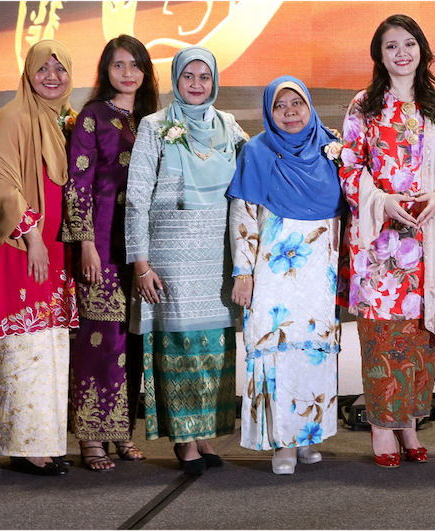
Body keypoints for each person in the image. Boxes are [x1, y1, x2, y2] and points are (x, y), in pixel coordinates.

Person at [338, 14, 435, 468]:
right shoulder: (364, 105)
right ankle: (380, 425)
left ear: (422, 49)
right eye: (391, 46)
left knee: (418, 336)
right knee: (381, 336)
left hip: (428, 240)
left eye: (408, 43)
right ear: (380, 55)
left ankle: (408, 421)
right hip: (380, 246)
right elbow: (350, 167)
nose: (401, 53)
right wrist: (383, 201)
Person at [125, 46, 244, 475]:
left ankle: (206, 432)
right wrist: (141, 264)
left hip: (217, 252)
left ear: (214, 81)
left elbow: (255, 171)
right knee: (179, 346)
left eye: (205, 77)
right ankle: (184, 439)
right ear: (175, 79)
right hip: (171, 253)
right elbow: (137, 198)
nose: (196, 84)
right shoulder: (154, 126)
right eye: (188, 76)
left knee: (215, 346)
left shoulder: (229, 126)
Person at [230, 76, 344, 475]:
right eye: (280, 106)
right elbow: (243, 215)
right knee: (277, 347)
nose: (290, 112)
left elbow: (342, 213)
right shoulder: (258, 152)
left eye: (297, 103)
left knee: (314, 347)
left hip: (319, 269)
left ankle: (310, 434)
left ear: (310, 106)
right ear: (269, 111)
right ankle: (282, 444)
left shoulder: (331, 149)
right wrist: (242, 272)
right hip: (273, 270)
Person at [61, 35, 158, 471]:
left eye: (135, 65)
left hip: (144, 249)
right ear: (106, 71)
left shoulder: (153, 120)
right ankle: (91, 438)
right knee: (99, 341)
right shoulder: (92, 117)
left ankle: (121, 433)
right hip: (100, 245)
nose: (128, 74)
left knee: (133, 343)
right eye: (119, 65)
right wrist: (85, 244)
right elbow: (77, 184)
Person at [0, 39, 79, 477]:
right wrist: (34, 236)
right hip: (25, 246)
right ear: (28, 73)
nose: (52, 77)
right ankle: (25, 447)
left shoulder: (67, 121)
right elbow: (2, 184)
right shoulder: (13, 116)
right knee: (25, 348)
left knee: (52, 348)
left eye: (59, 70)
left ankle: (48, 439)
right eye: (43, 69)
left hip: (58, 249)